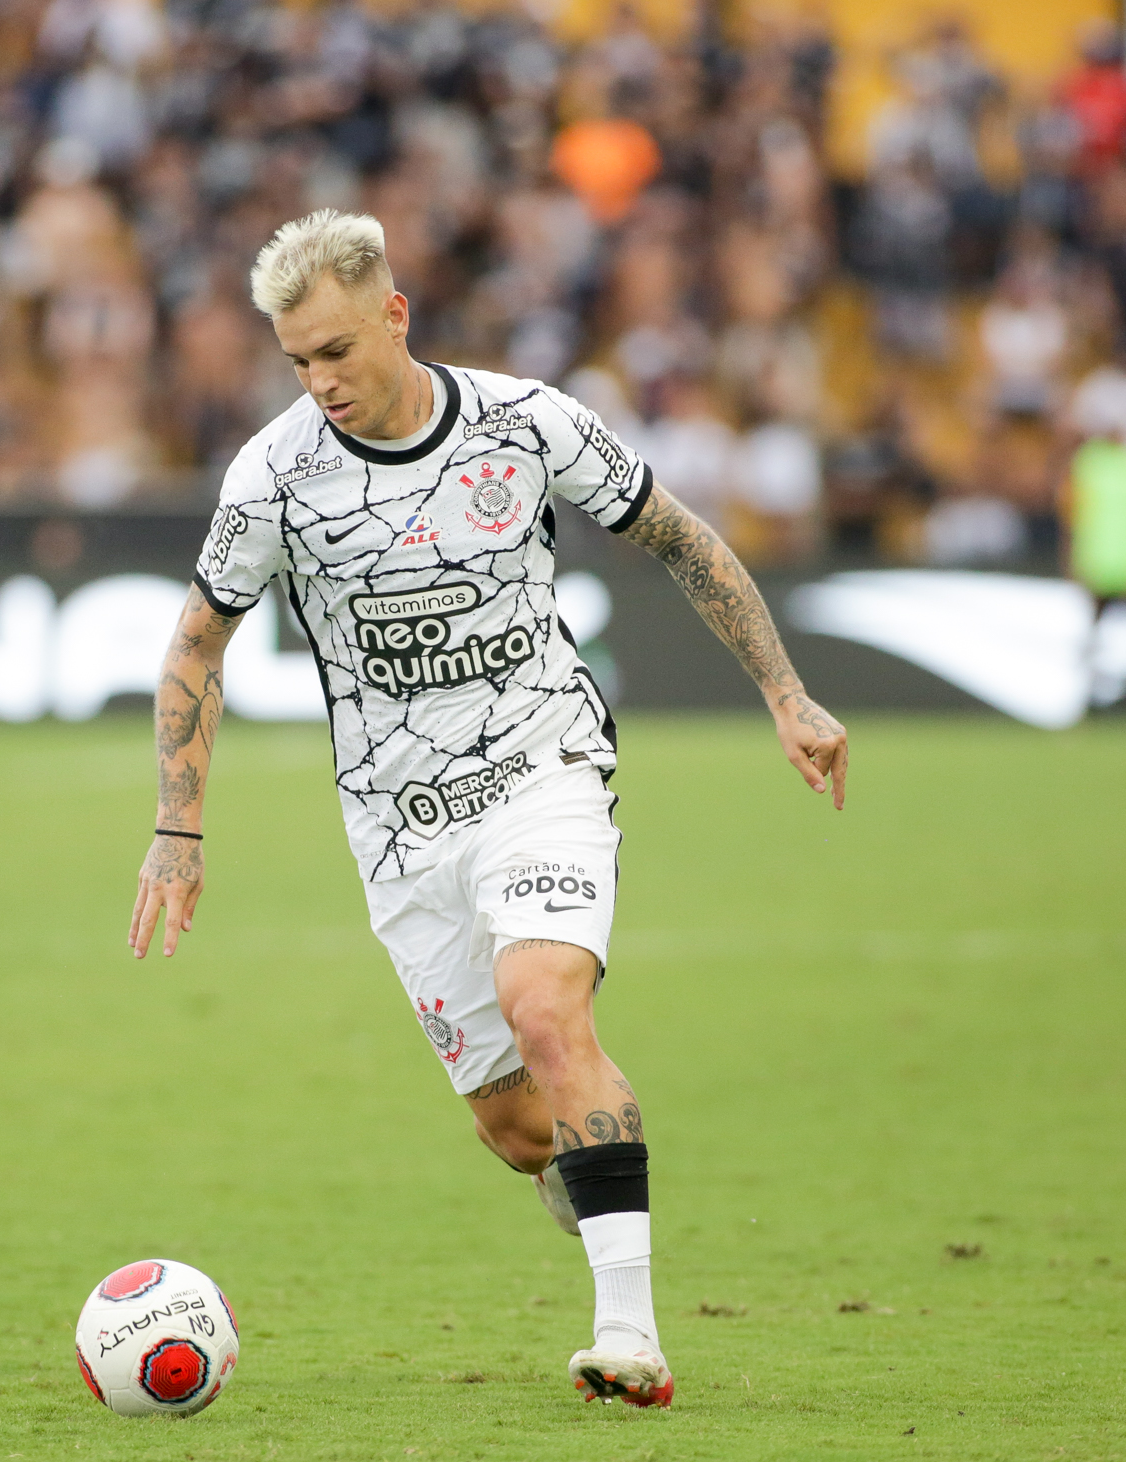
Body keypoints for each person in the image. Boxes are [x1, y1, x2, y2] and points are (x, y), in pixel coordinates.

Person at [126, 211, 849, 1410]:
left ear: (394, 315)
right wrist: (176, 824)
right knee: (520, 1130)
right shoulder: (274, 475)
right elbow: (196, 642)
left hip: (540, 764)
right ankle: (595, 1173)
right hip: (398, 827)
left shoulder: (525, 424)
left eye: (337, 351)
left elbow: (676, 536)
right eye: (297, 361)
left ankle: (630, 1335)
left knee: (545, 1007)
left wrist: (785, 692)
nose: (321, 383)